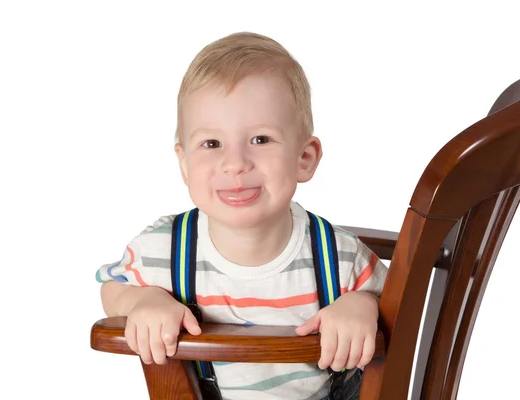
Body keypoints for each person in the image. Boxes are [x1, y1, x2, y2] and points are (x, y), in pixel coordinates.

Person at [96, 31, 388, 400]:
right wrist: (142, 302)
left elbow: (394, 303)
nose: (235, 164)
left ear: (305, 158)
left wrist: (362, 305)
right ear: (184, 163)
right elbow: (113, 288)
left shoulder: (338, 257)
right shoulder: (164, 249)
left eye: (260, 140)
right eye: (212, 144)